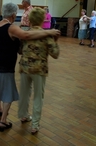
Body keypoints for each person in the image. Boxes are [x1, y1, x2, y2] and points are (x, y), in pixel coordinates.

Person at [0, 2, 60, 132]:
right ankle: (19, 123)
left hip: (10, 66)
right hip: (25, 68)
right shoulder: (15, 28)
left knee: (17, 92)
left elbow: (21, 49)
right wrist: (51, 35)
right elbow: (53, 53)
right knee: (22, 94)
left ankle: (12, 112)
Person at [18, 7, 60, 135]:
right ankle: (35, 125)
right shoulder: (47, 35)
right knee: (38, 97)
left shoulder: (25, 34)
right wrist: (55, 41)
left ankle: (23, 115)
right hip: (39, 70)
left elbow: (20, 50)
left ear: (30, 20)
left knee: (24, 93)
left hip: (25, 68)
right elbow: (55, 54)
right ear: (42, 20)